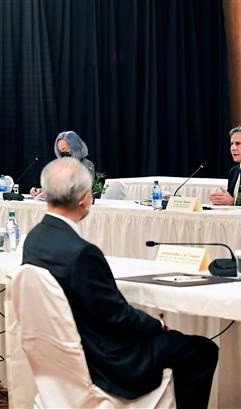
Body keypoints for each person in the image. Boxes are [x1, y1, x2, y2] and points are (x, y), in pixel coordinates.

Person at [23, 157, 218, 408]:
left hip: (60, 356)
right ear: (85, 198)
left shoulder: (35, 238)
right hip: (105, 360)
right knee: (201, 351)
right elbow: (116, 317)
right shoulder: (82, 254)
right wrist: (156, 325)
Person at [30, 130, 95, 197]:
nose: (63, 153)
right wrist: (40, 191)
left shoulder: (87, 165)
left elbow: (82, 191)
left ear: (75, 147)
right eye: (60, 151)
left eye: (64, 149)